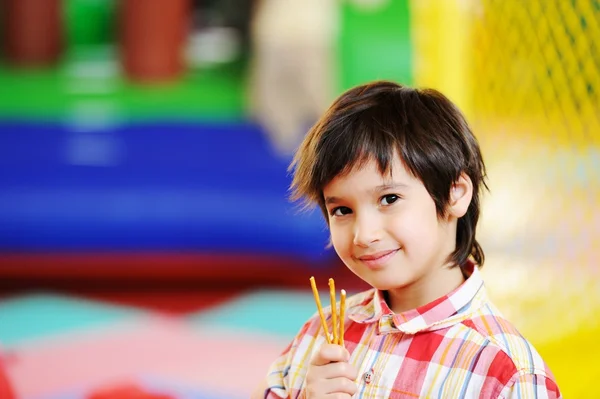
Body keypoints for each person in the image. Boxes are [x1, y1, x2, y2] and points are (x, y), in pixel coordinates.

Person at [251, 81, 561, 398]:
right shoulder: (318, 336)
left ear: (456, 194)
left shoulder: (508, 375)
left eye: (389, 199)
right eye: (342, 209)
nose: (364, 234)